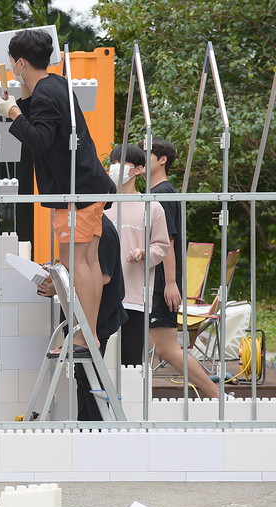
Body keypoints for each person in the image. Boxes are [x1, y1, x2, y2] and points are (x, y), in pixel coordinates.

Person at [0, 29, 115, 358]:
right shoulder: (57, 84)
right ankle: (87, 335)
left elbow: (40, 140)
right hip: (89, 187)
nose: (9, 67)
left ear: (21, 62)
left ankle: (83, 337)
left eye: (11, 62)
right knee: (87, 261)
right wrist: (20, 95)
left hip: (74, 193)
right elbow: (40, 117)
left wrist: (12, 113)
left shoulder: (47, 94)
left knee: (74, 263)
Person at [139, 137, 220, 398]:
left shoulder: (163, 193)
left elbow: (169, 240)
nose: (141, 158)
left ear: (162, 160)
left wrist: (171, 283)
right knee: (153, 346)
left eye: (147, 153)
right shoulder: (154, 193)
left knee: (167, 348)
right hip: (151, 281)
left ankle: (217, 396)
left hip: (161, 283)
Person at [37, 213, 127, 420]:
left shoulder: (101, 231)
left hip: (98, 317)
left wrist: (59, 286)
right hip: (85, 317)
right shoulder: (90, 228)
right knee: (84, 377)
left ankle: (94, 427)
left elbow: (103, 277)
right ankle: (86, 425)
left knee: (91, 378)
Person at [102, 145, 170, 366]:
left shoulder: (151, 206)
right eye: (112, 164)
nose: (115, 169)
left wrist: (143, 253)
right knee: (99, 358)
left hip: (135, 297)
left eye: (122, 164)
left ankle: (127, 401)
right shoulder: (99, 204)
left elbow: (162, 247)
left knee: (130, 360)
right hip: (101, 295)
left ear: (139, 169)